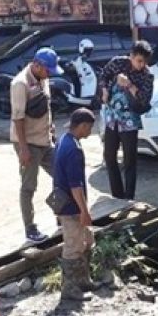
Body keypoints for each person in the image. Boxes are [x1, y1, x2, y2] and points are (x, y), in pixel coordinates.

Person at [11, 47, 58, 243]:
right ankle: (30, 228)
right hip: (28, 142)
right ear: (37, 65)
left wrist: (51, 128)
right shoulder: (20, 84)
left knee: (63, 175)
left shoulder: (43, 78)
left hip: (45, 139)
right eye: (47, 70)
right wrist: (23, 149)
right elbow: (18, 118)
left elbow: (45, 106)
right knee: (29, 186)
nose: (49, 74)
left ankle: (60, 212)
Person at [99, 41, 155, 200]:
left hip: (130, 123)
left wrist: (130, 85)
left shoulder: (147, 76)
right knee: (109, 157)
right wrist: (104, 90)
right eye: (139, 61)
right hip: (112, 118)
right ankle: (117, 196)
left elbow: (144, 100)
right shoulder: (117, 63)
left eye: (144, 62)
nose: (141, 65)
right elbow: (103, 75)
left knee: (130, 161)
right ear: (131, 56)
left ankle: (129, 198)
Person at [52, 108, 97, 302]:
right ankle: (69, 288)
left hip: (62, 201)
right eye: (90, 128)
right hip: (72, 207)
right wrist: (84, 212)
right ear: (83, 126)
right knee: (72, 247)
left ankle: (83, 280)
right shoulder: (74, 151)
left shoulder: (64, 140)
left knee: (87, 240)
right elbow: (75, 186)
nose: (91, 132)